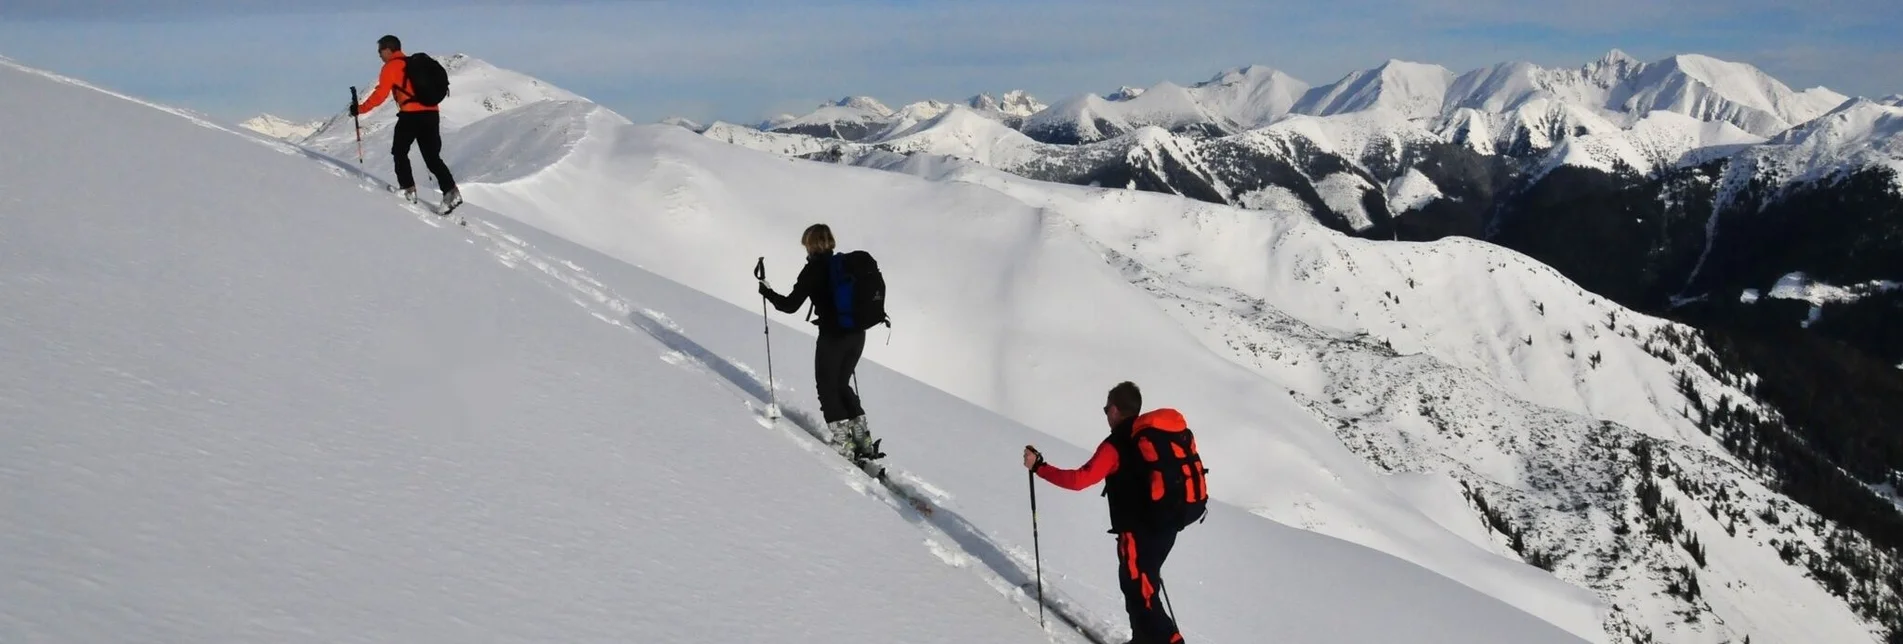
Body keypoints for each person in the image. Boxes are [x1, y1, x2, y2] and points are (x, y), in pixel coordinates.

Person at [1024, 382, 1192, 644]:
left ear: (1115, 409)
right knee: (1137, 586)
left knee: (1142, 595)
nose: (1106, 414)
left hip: (1138, 533)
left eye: (1106, 409)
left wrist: (1039, 468)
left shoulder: (1117, 445)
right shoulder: (1148, 438)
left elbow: (1079, 480)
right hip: (1166, 526)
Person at [758, 224, 880, 463]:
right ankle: (862, 438)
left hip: (833, 336)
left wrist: (767, 292)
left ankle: (842, 441)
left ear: (810, 244)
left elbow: (790, 305)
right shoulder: (843, 265)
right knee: (841, 384)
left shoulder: (813, 270)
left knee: (826, 387)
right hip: (857, 333)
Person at [351, 34, 461, 211]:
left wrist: (360, 109)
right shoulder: (413, 63)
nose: (379, 55)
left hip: (411, 115)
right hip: (432, 113)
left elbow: (380, 94)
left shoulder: (391, 67)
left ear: (388, 49)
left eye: (380, 51)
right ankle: (451, 192)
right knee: (432, 157)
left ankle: (408, 190)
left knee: (399, 151)